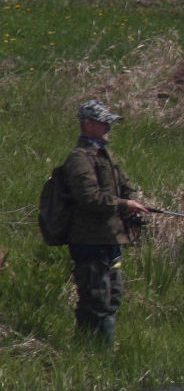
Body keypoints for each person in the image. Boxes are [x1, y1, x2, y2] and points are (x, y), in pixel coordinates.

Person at [64, 100, 149, 345]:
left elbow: (126, 185)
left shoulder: (106, 156)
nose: (109, 126)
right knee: (96, 300)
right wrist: (124, 206)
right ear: (87, 124)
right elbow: (89, 198)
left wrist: (132, 202)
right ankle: (88, 352)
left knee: (113, 299)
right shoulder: (80, 159)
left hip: (111, 239)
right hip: (89, 242)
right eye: (104, 122)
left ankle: (103, 354)